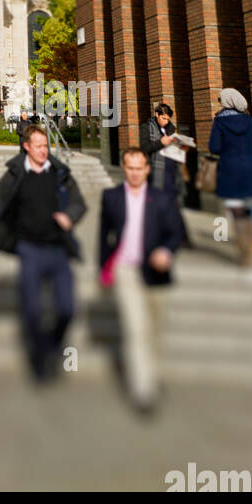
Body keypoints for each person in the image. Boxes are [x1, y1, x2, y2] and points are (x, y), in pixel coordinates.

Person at [0, 123, 87, 382]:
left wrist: (69, 216)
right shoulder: (16, 174)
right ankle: (40, 361)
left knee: (67, 309)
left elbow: (78, 202)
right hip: (29, 249)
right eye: (38, 146)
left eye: (46, 146)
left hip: (58, 249)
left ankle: (52, 345)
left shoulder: (59, 173)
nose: (43, 151)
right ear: (26, 147)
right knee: (33, 310)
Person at [99, 146, 187, 413]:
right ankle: (144, 391)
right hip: (126, 271)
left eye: (140, 168)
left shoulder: (161, 199)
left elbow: (177, 232)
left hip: (156, 272)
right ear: (124, 169)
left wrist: (167, 251)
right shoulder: (111, 197)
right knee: (136, 330)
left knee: (155, 330)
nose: (135, 173)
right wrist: (104, 271)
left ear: (147, 169)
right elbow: (104, 237)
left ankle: (152, 372)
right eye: (130, 168)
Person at [209, 87, 252, 265]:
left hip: (230, 169)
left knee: (237, 211)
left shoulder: (219, 122)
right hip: (249, 168)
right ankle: (251, 243)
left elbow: (214, 147)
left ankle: (244, 251)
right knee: (248, 208)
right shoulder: (248, 120)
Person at [141, 102, 185, 204]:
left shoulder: (171, 128)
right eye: (163, 118)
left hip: (171, 169)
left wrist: (182, 147)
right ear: (157, 114)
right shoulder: (146, 127)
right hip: (155, 168)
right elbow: (144, 148)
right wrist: (160, 143)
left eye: (168, 119)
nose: (166, 122)